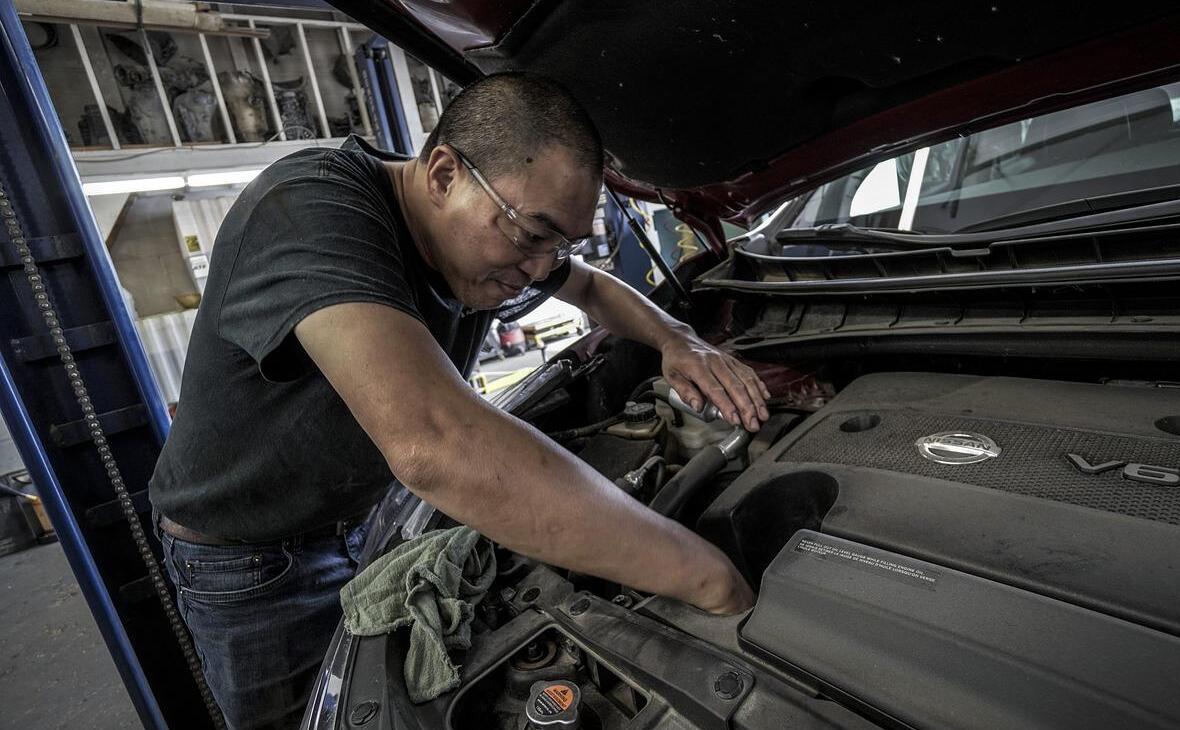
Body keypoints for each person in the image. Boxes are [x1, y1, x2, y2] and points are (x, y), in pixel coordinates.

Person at [149, 72, 766, 729]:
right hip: (253, 564)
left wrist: (675, 340)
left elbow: (589, 288)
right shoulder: (306, 210)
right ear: (444, 174)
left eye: (559, 243)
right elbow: (435, 445)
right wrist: (703, 575)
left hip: (366, 519)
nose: (538, 267)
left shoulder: (486, 235)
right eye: (532, 236)